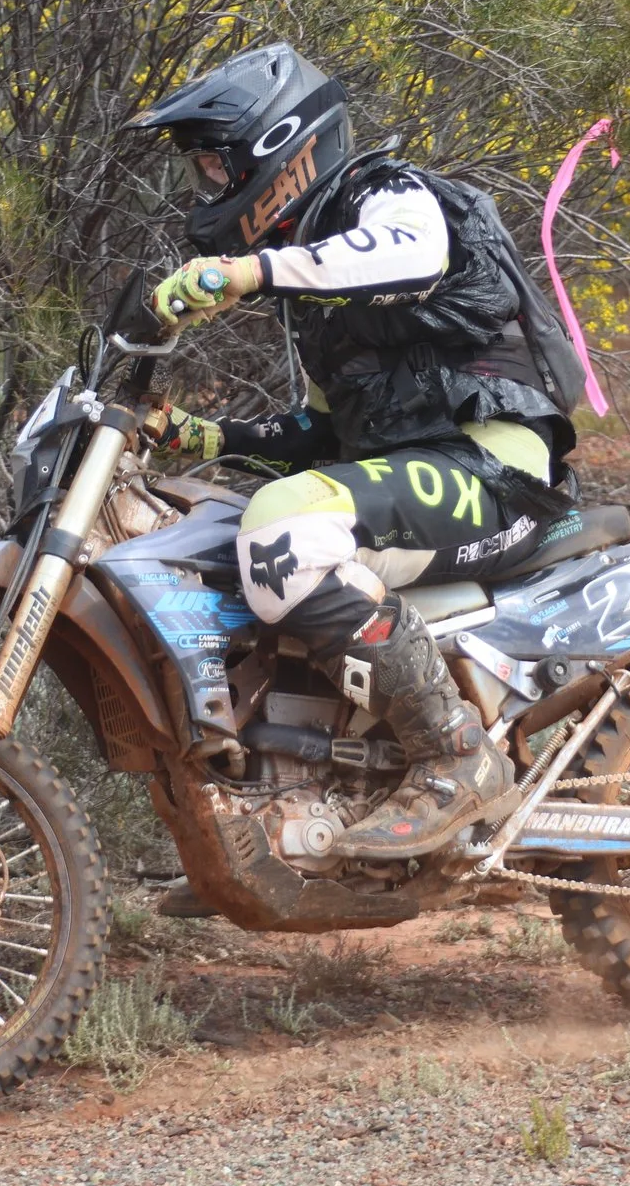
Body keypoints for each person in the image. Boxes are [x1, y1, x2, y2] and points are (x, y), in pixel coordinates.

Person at [130, 42, 590, 860]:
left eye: (214, 167)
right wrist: (203, 438)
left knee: (280, 533)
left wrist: (249, 271)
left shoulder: (389, 195)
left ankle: (455, 757)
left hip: (496, 468)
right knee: (236, 533)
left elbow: (415, 253)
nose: (208, 188)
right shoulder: (319, 299)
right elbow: (319, 436)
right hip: (429, 475)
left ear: (277, 152)